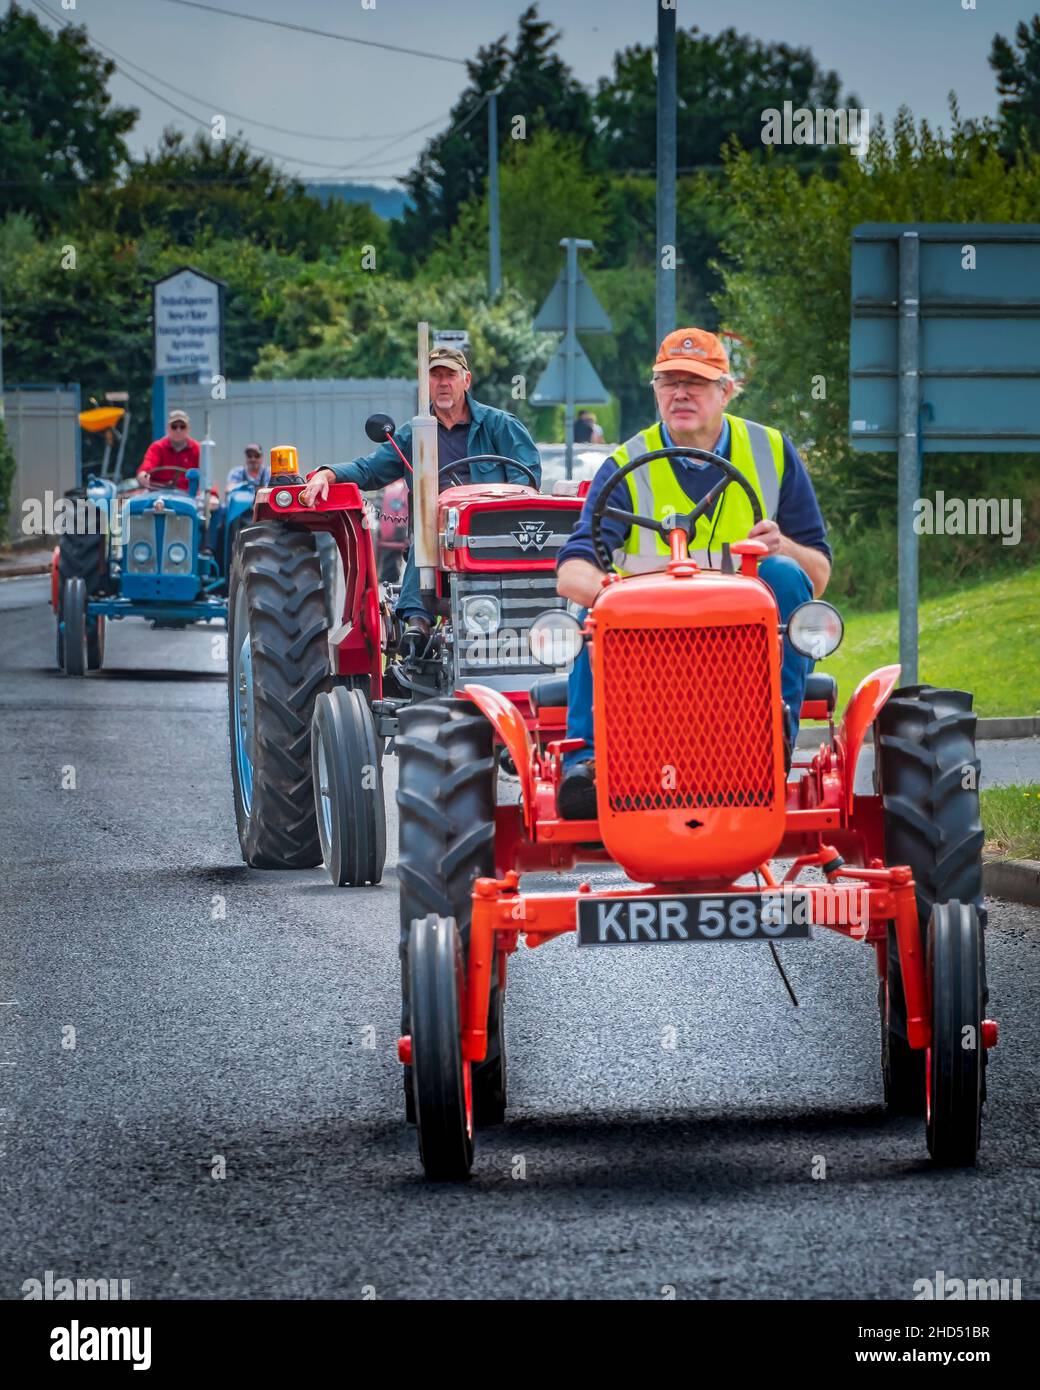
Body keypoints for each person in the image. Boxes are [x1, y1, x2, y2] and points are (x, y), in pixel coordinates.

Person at [554, 327, 832, 819]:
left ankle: (774, 741)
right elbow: (573, 568)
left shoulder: (770, 451)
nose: (681, 393)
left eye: (696, 382)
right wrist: (608, 591)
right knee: (586, 614)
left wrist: (780, 543)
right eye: (669, 382)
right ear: (656, 390)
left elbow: (819, 574)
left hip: (739, 646)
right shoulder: (625, 464)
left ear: (726, 390)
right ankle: (585, 766)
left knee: (788, 575)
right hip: (647, 642)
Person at [299, 346, 541, 654]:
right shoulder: (414, 434)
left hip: (494, 533)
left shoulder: (500, 425)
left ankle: (535, 618)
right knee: (427, 532)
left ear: (466, 380)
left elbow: (527, 478)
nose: (442, 383)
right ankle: (418, 622)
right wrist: (328, 474)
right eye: (435, 376)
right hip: (439, 534)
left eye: (449, 375)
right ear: (426, 384)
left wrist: (501, 512)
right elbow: (371, 469)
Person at [136, 409, 200, 491]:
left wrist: (213, 495)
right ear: (168, 428)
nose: (178, 430)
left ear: (188, 429)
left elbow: (207, 476)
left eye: (182, 427)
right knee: (121, 502)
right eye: (174, 427)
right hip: (158, 494)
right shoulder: (157, 447)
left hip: (188, 496)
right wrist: (143, 474)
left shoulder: (197, 449)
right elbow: (148, 465)